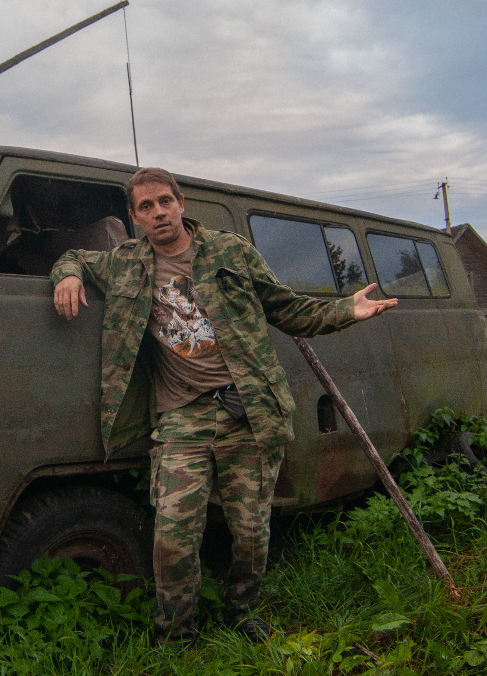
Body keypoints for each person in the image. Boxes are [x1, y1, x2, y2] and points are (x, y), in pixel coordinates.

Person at [51, 167, 397, 646]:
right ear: (134, 217)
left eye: (164, 202)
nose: (158, 213)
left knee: (251, 534)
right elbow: (73, 256)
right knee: (172, 539)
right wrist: (68, 275)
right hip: (181, 418)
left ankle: (242, 612)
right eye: (145, 207)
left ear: (181, 202)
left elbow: (287, 308)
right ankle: (176, 636)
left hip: (249, 413)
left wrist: (346, 310)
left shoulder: (231, 251)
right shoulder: (125, 263)